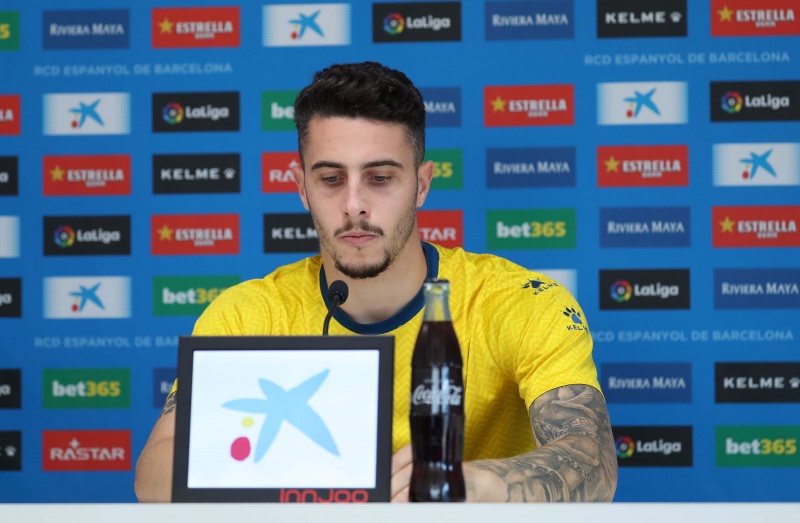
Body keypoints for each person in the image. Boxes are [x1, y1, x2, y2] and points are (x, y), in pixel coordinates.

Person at [134, 61, 617, 503]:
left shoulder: (519, 302)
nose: (354, 205)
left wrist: (468, 484)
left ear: (422, 184)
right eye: (330, 179)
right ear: (301, 188)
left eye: (380, 178)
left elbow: (592, 461)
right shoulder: (247, 314)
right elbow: (154, 473)